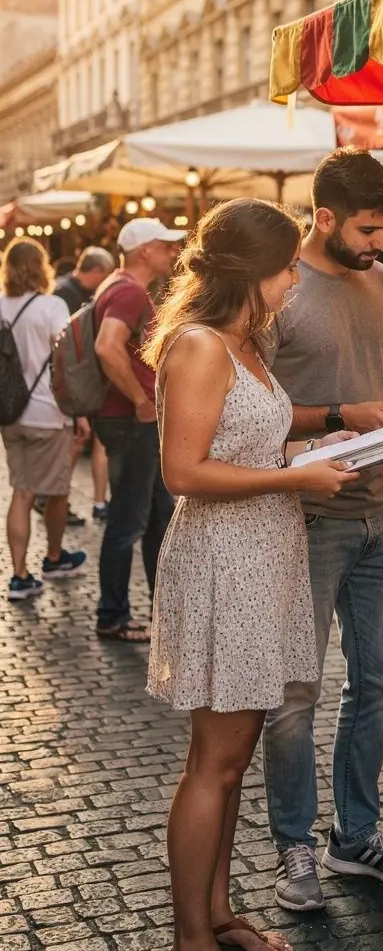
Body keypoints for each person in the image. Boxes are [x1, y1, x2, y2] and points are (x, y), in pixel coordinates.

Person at [143, 198, 358, 951]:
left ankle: (220, 913)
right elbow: (184, 473)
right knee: (216, 761)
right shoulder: (202, 346)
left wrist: (313, 449)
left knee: (230, 761)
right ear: (253, 271)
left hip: (261, 554)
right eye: (288, 266)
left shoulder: (244, 343)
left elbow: (245, 445)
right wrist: (294, 476)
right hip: (225, 561)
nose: (296, 279)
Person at [262, 147, 383, 912]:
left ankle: (355, 836)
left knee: (381, 683)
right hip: (303, 517)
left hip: (377, 513)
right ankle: (295, 845)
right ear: (325, 217)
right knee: (294, 693)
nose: (380, 245)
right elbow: (256, 411)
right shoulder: (279, 291)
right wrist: (339, 416)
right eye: (369, 230)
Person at [93, 218, 184, 643]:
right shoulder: (128, 290)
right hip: (133, 423)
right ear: (144, 249)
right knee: (128, 522)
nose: (171, 251)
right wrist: (141, 400)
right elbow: (107, 347)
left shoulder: (115, 284)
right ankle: (112, 615)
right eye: (164, 245)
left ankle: (159, 612)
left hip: (129, 423)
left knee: (154, 518)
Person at [1, 238, 88, 600]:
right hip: (47, 413)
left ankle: (20, 573)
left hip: (10, 412)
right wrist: (80, 412)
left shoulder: (1, 304)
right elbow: (67, 361)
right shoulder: (51, 306)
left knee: (21, 491)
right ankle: (54, 558)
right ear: (41, 266)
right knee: (57, 489)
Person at [52, 246, 116, 523]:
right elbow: (66, 344)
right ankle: (55, 500)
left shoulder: (66, 288)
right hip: (76, 379)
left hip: (80, 378)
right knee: (77, 445)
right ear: (98, 271)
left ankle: (58, 500)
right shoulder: (65, 293)